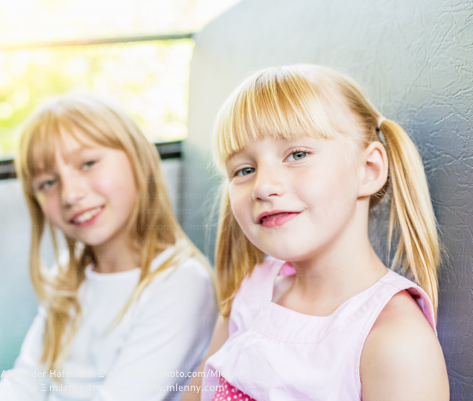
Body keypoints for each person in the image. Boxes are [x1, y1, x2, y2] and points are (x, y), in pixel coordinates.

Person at [186, 65, 449, 400]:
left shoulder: (394, 342)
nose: (263, 186)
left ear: (368, 170)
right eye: (245, 170)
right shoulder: (252, 290)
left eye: (297, 154)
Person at [0, 94, 217, 401]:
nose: (70, 194)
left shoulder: (179, 283)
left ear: (139, 161)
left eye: (88, 163)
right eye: (48, 183)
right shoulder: (70, 272)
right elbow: (26, 384)